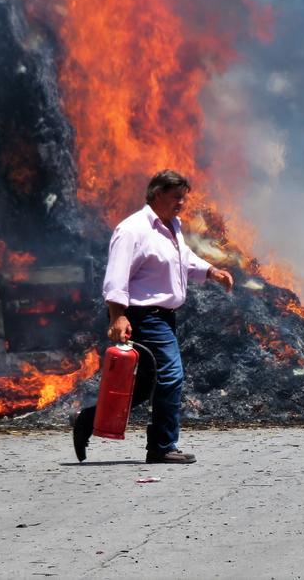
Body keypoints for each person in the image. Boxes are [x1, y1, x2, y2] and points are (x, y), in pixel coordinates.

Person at [72, 170, 234, 464]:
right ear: (157, 194)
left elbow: (183, 257)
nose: (182, 203)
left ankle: (88, 420)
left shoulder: (172, 227)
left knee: (147, 385)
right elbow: (116, 276)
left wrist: (210, 271)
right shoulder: (132, 230)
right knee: (171, 375)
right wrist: (117, 316)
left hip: (165, 316)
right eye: (176, 197)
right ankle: (162, 446)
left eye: (184, 197)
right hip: (144, 316)